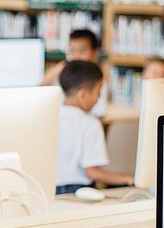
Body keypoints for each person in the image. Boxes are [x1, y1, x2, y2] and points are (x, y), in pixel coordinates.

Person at [55, 61, 133, 194]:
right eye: (98, 91)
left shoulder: (50, 117)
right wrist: (128, 178)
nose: (99, 97)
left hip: (50, 191)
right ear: (83, 95)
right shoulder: (90, 123)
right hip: (79, 191)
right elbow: (92, 172)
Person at [43, 28, 109, 117]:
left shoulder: (98, 83)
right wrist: (55, 71)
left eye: (82, 51)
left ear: (94, 53)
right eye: (72, 51)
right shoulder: (62, 76)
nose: (76, 56)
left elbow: (100, 114)